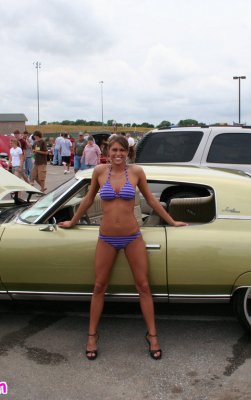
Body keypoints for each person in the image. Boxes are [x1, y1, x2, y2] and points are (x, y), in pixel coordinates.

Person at [58, 135, 187, 361]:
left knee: (144, 286)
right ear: (108, 151)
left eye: (122, 150)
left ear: (128, 152)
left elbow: (153, 200)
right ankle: (91, 336)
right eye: (114, 150)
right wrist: (72, 221)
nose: (118, 154)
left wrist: (172, 220)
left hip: (132, 236)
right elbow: (87, 200)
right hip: (106, 237)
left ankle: (153, 335)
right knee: (99, 286)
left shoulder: (136, 172)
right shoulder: (99, 171)